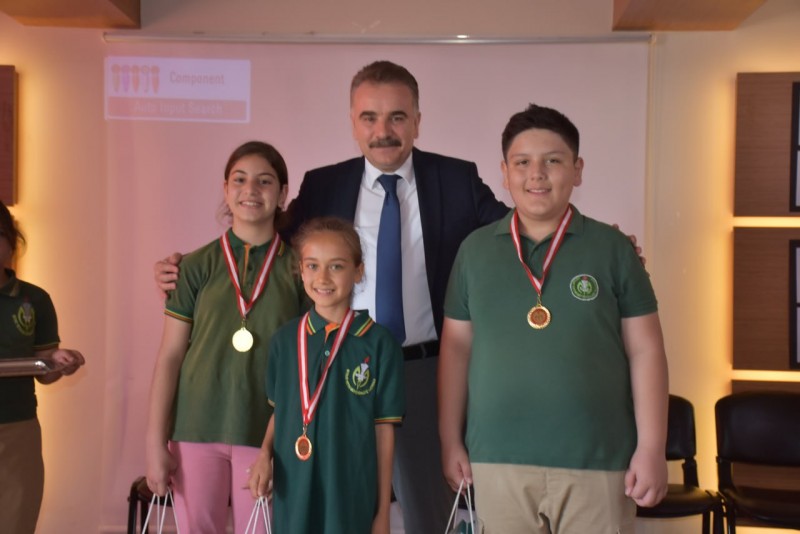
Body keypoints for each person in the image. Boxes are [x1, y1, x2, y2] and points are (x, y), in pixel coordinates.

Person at [438, 103, 669, 534]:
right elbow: (456, 350)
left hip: (598, 459)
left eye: (553, 161)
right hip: (496, 458)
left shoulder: (613, 249)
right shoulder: (474, 251)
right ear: (504, 173)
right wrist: (450, 440)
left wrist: (653, 447)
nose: (537, 175)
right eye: (522, 163)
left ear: (577, 170)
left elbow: (646, 350)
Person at [145, 141, 305, 533]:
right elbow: (170, 356)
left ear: (283, 193)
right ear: (225, 189)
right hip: (195, 429)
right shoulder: (193, 267)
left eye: (264, 181)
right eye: (240, 180)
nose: (251, 190)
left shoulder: (300, 271)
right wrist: (154, 442)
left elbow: (304, 367)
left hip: (266, 436)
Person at [247, 217, 405, 534]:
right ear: (301, 270)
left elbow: (384, 432)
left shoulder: (379, 343)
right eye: (313, 266)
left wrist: (383, 512)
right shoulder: (284, 341)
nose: (323, 277)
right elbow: (281, 411)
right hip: (293, 492)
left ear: (358, 271)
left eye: (336, 266)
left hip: (350, 496)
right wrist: (264, 453)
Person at [0, 201, 85, 534]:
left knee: (16, 520)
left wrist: (61, 363)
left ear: (11, 241)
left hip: (17, 429)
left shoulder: (34, 300)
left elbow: (44, 369)